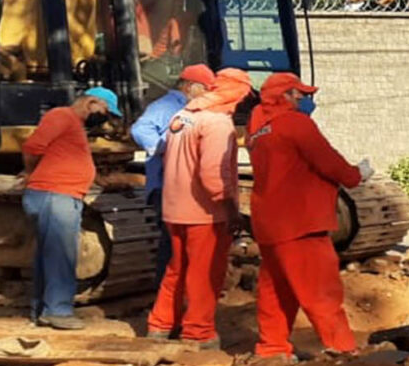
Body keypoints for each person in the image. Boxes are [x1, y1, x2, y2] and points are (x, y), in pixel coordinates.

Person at [246, 72, 372, 358]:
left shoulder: (258, 128)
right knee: (321, 290)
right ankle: (342, 349)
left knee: (276, 291)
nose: (302, 98)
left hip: (269, 222)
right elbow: (327, 160)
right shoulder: (294, 123)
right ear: (284, 96)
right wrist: (356, 174)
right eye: (297, 93)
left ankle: (272, 348)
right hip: (301, 221)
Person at [144, 68, 250, 347]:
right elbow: (214, 174)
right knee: (204, 274)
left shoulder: (182, 117)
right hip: (204, 212)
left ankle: (160, 324)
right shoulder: (217, 123)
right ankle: (198, 332)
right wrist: (230, 209)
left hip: (174, 206)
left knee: (176, 269)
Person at [19, 87, 121, 330]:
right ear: (91, 102)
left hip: (59, 194)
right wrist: (31, 173)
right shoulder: (62, 116)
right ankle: (58, 311)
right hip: (55, 194)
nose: (104, 118)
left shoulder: (73, 123)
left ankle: (43, 310)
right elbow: (32, 147)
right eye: (105, 111)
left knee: (49, 255)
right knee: (61, 255)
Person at [130, 64, 216, 281]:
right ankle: (165, 292)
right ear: (190, 86)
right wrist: (168, 148)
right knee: (171, 245)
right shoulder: (167, 106)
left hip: (180, 188)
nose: (208, 94)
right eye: (205, 88)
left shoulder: (191, 110)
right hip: (166, 187)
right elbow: (140, 129)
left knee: (179, 245)